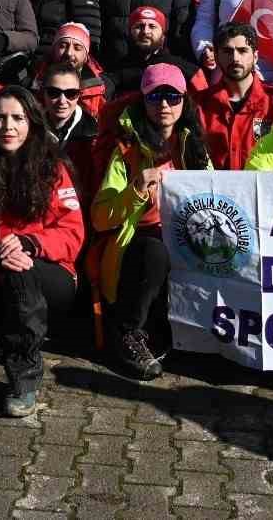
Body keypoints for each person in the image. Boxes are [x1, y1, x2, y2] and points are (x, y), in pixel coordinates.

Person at [0, 87, 85, 417]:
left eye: (17, 118)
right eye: (0, 118)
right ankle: (29, 334)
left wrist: (30, 243)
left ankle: (24, 378)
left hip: (51, 274)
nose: (8, 126)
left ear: (32, 123)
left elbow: (73, 231)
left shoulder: (52, 168)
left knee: (20, 267)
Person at [92, 64, 210, 380]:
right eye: (155, 97)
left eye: (173, 96)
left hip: (185, 237)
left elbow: (216, 196)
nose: (164, 105)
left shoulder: (195, 146)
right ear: (142, 101)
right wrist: (134, 191)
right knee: (155, 251)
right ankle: (128, 333)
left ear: (184, 100)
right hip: (138, 245)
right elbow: (100, 217)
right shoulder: (126, 150)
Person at [192, 23, 273, 171]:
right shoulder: (200, 104)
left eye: (242, 51)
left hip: (262, 190)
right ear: (216, 56)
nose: (235, 58)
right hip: (214, 191)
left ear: (255, 57)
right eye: (228, 51)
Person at [40, 61, 101, 205]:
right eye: (54, 93)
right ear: (44, 93)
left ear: (79, 95)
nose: (62, 101)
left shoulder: (94, 134)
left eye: (70, 94)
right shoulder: (29, 130)